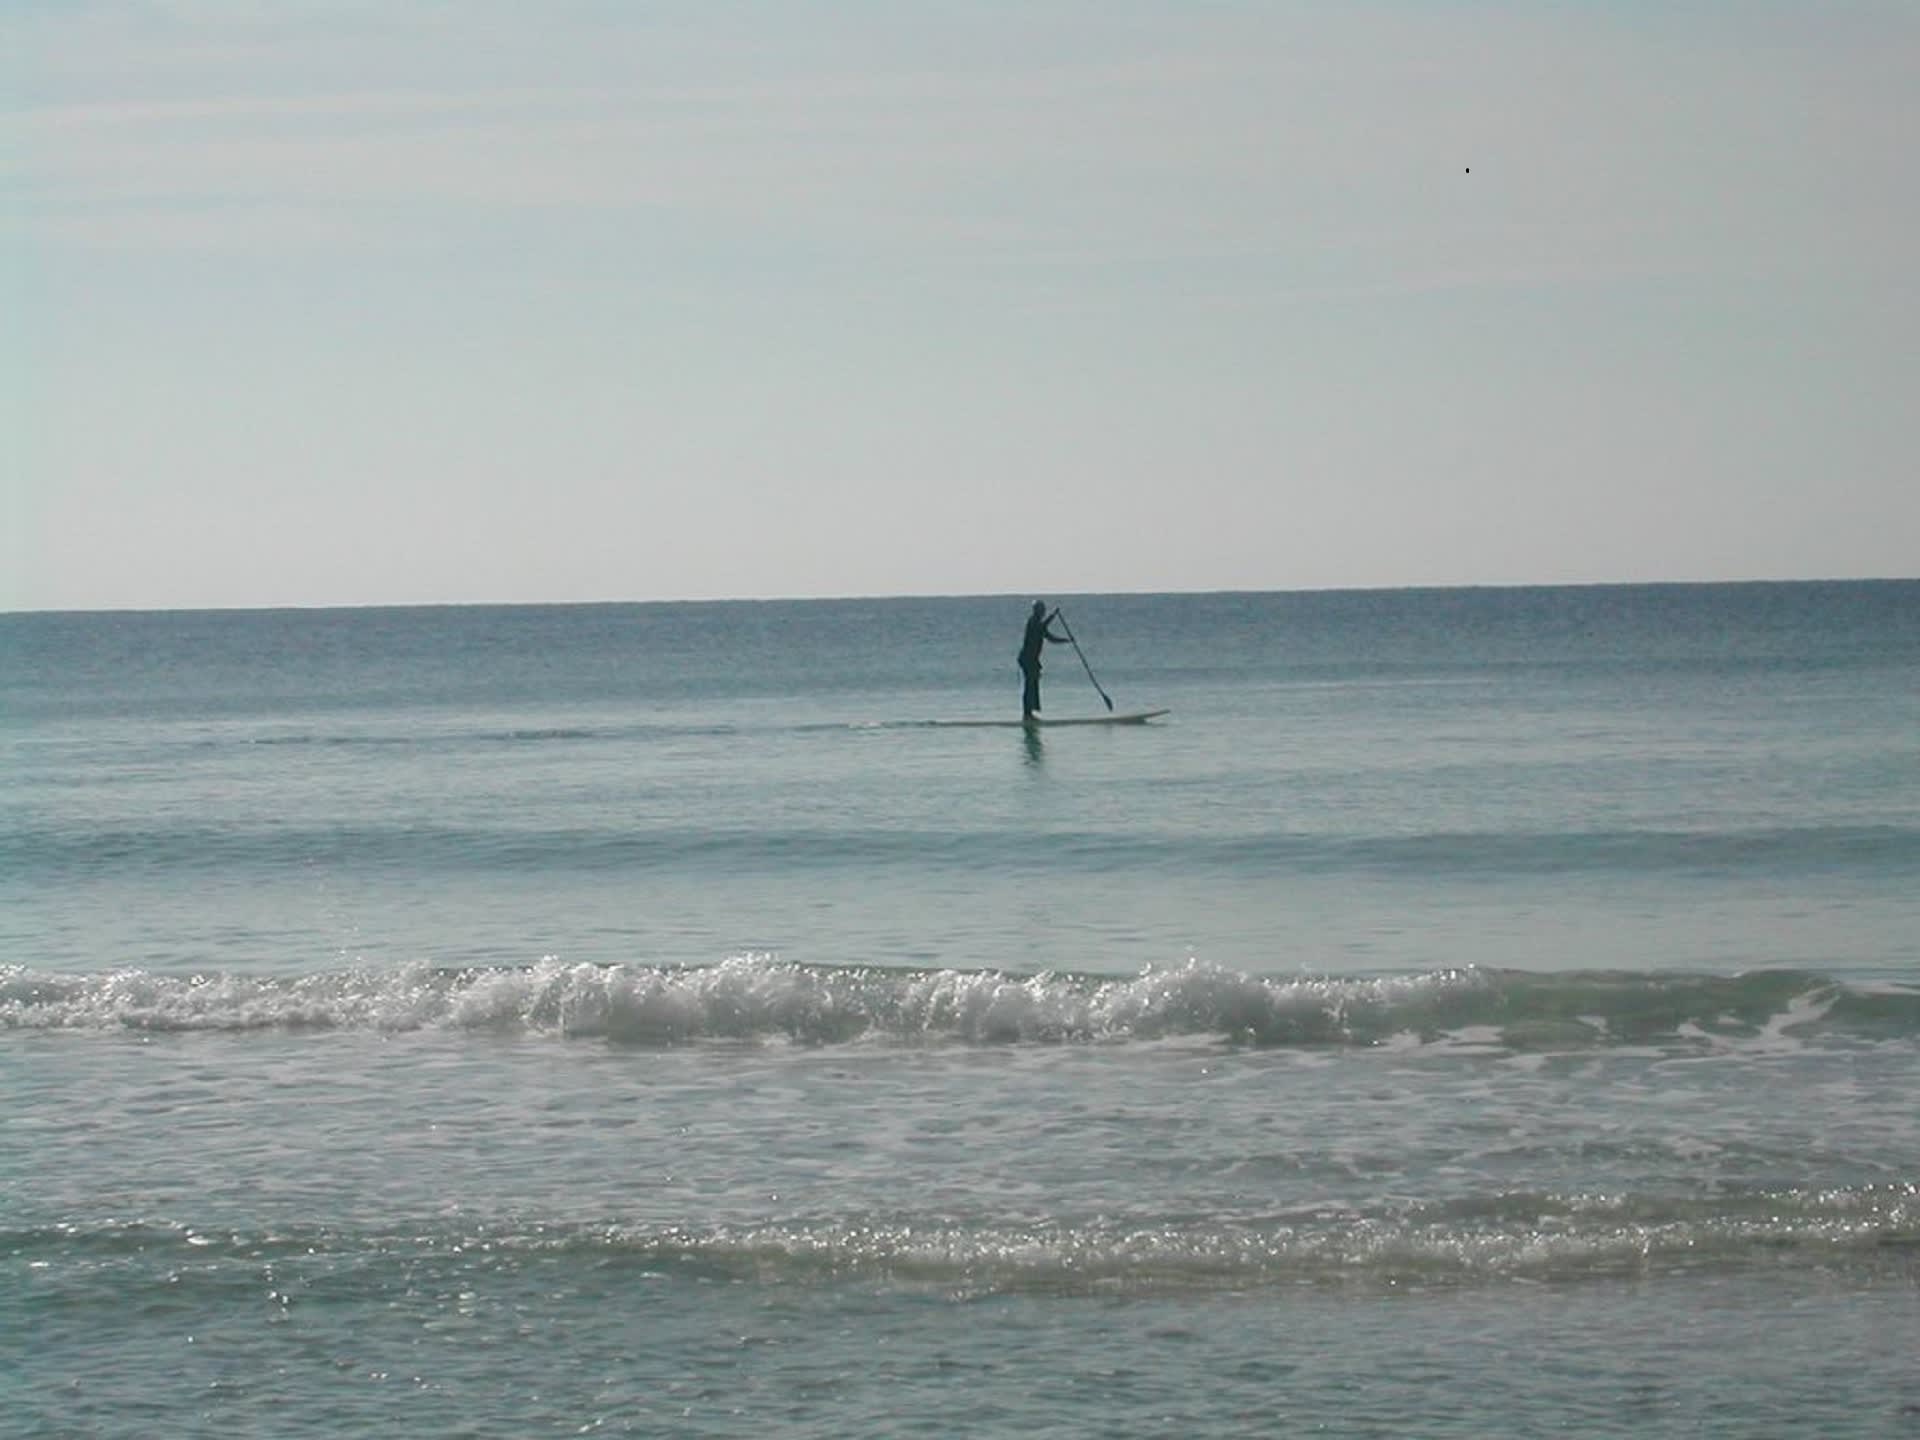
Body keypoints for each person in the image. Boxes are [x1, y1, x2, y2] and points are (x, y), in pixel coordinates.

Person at [1017, 600, 1069, 720]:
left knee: (1033, 684)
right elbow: (1043, 626)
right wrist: (1053, 615)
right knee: (1029, 685)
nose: (1043, 612)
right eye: (1041, 610)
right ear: (1037, 611)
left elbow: (1051, 638)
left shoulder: (1039, 625)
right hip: (1027, 659)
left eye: (1043, 610)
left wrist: (1066, 640)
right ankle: (1027, 714)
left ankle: (1029, 713)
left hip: (1033, 660)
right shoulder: (1033, 622)